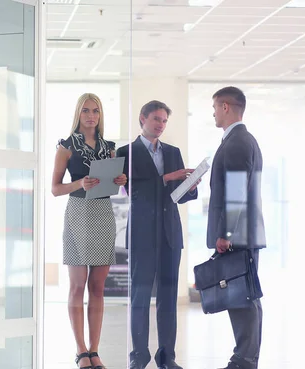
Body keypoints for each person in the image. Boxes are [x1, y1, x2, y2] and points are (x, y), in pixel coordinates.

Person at [116, 100, 199, 369]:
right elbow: (132, 191)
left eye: (164, 121)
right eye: (156, 119)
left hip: (169, 235)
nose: (160, 125)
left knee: (168, 299)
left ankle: (167, 358)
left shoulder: (173, 152)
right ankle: (138, 357)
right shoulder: (125, 152)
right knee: (139, 298)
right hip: (141, 235)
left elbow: (181, 197)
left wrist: (191, 184)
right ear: (143, 118)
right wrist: (166, 178)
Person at [51, 93, 127, 369]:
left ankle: (95, 350)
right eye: (86, 111)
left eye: (95, 111)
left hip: (103, 215)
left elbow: (113, 186)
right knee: (76, 285)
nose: (91, 115)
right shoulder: (66, 147)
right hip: (77, 215)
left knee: (97, 287)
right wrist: (79, 183)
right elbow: (55, 188)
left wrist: (120, 180)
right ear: (78, 114)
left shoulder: (109, 148)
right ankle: (81, 351)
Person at [206, 86, 266, 369]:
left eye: (216, 107)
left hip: (238, 236)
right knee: (244, 296)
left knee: (244, 297)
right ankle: (244, 357)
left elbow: (237, 191)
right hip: (242, 234)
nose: (214, 112)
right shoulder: (240, 140)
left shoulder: (238, 142)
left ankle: (244, 359)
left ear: (226, 107)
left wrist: (226, 235)